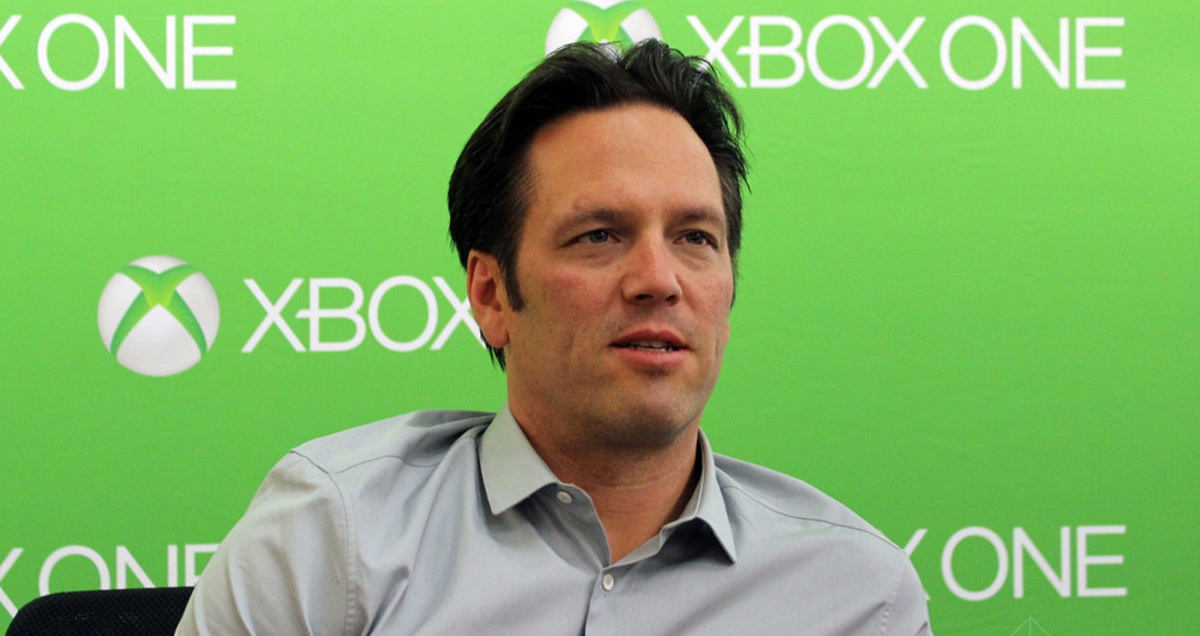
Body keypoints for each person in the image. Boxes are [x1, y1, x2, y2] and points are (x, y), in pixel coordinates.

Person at [176, 40, 932, 635]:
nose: (658, 279)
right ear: (491, 294)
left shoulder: (858, 595)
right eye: (599, 235)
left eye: (695, 238)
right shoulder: (331, 538)